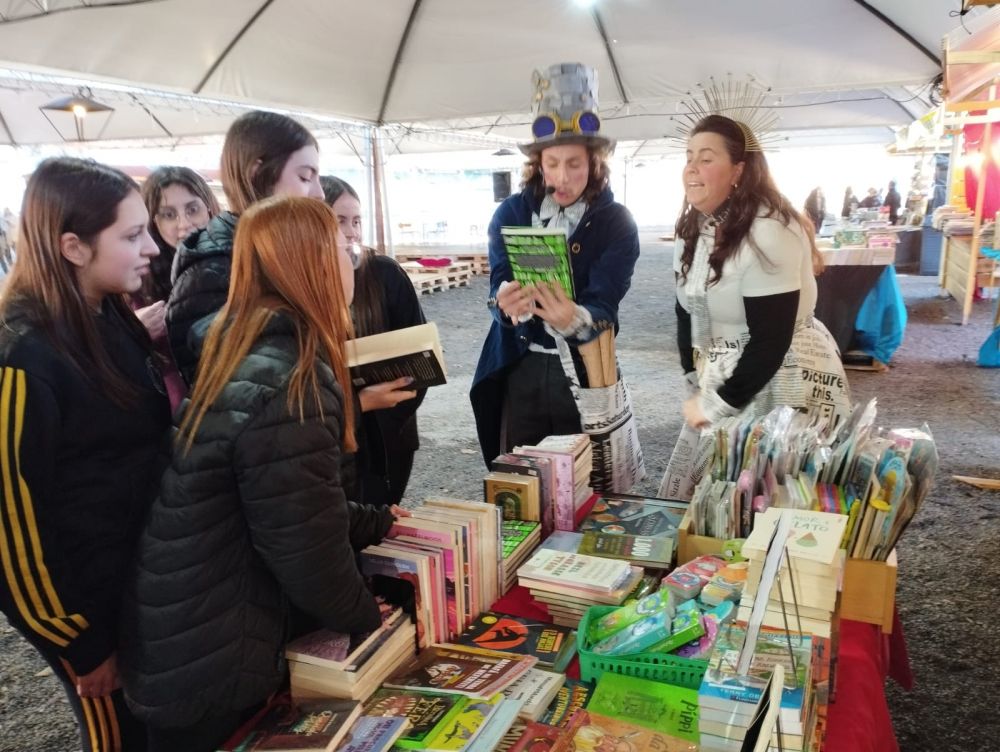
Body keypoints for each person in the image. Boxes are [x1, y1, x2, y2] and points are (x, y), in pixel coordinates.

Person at [120, 197, 404, 752]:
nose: (355, 257)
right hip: (214, 647)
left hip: (190, 624)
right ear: (312, 264)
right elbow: (305, 547)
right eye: (343, 248)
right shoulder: (290, 374)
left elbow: (291, 498)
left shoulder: (252, 339)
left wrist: (377, 522)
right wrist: (375, 622)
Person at [0, 157, 171, 751]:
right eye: (132, 235)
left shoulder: (105, 314)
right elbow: (13, 529)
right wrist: (80, 640)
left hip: (129, 578)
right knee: (116, 737)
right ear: (72, 246)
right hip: (83, 605)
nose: (151, 247)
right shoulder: (24, 358)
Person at [471, 63, 640, 465]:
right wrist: (504, 302)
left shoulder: (616, 223)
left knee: (583, 478)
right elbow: (497, 284)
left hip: (585, 371)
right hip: (519, 366)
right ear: (538, 163)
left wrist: (575, 317)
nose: (562, 177)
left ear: (595, 162)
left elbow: (606, 304)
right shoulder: (510, 212)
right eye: (552, 163)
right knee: (522, 474)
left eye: (575, 164)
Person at [670, 114, 851, 435]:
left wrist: (716, 403)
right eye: (688, 158)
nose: (691, 168)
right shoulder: (693, 227)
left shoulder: (769, 230)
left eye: (706, 158)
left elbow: (770, 340)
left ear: (739, 170)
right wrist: (692, 373)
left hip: (783, 374)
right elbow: (685, 307)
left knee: (773, 477)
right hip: (725, 374)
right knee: (721, 477)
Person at [166, 110, 324, 385]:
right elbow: (237, 395)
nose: (320, 193)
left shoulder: (273, 252)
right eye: (305, 177)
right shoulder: (213, 269)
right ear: (257, 174)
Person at [321, 176, 423, 505]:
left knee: (383, 522)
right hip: (333, 438)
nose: (351, 231)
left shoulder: (385, 274)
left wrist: (388, 410)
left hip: (390, 434)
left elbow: (420, 357)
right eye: (340, 221)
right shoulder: (306, 286)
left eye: (356, 221)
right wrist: (355, 406)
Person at [137, 166, 221, 408]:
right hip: (174, 408)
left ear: (208, 208)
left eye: (192, 209)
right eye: (169, 214)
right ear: (153, 222)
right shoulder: (140, 280)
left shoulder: (237, 262)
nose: (184, 224)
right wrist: (135, 332)